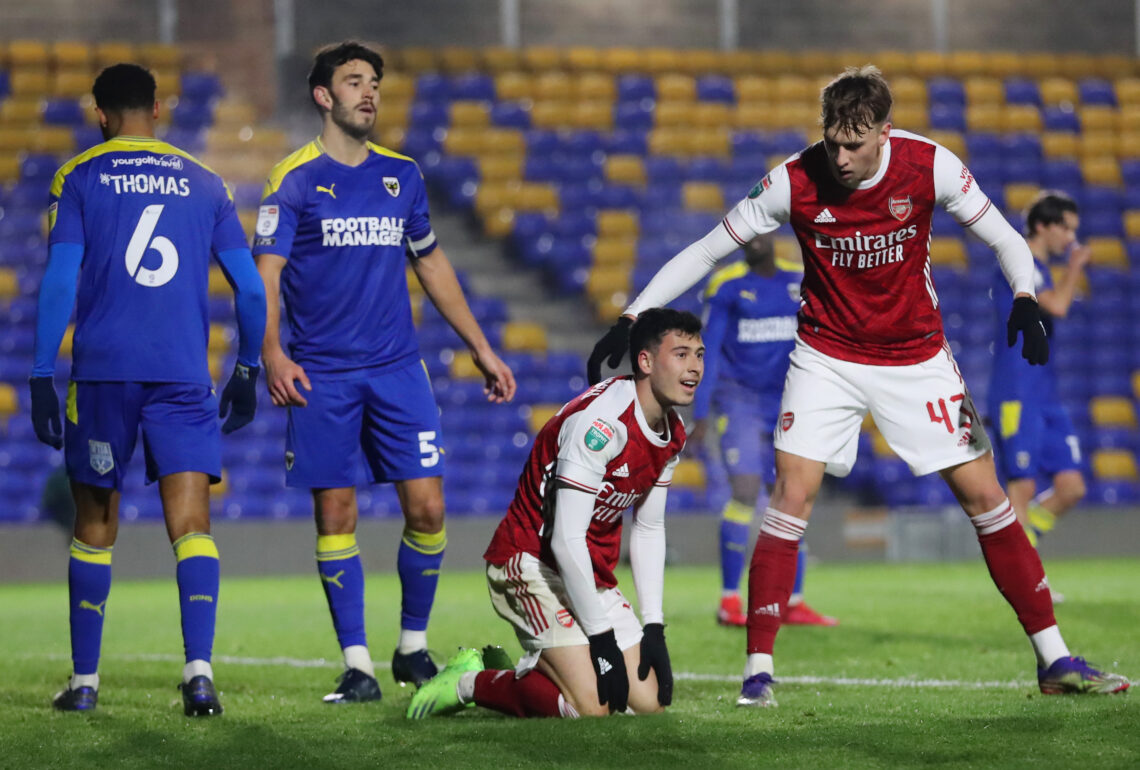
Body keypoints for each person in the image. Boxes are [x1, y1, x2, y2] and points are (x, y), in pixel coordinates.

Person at [588, 66, 1130, 706]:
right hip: (826, 357)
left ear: (885, 133)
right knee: (790, 496)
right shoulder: (792, 180)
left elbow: (1008, 239)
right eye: (833, 143)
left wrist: (1025, 295)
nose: (841, 158)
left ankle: (1054, 659)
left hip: (918, 358)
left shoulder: (930, 167)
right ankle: (757, 672)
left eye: (856, 144)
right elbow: (706, 250)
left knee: (988, 497)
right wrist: (633, 316)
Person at [253, 41, 516, 704]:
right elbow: (267, 275)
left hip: (398, 369)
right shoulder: (293, 179)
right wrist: (272, 353)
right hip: (323, 376)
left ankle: (410, 648)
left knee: (428, 507)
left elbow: (430, 264)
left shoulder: (402, 175)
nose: (368, 92)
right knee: (336, 510)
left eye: (374, 82)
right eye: (353, 82)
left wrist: (481, 346)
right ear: (323, 95)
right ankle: (357, 663)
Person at [30, 63, 266, 715]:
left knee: (94, 524)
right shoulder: (207, 182)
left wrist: (39, 373)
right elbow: (250, 289)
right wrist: (247, 368)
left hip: (104, 372)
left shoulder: (77, 177)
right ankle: (198, 677)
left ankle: (84, 685)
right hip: (183, 372)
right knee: (190, 526)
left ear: (100, 115)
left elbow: (59, 280)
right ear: (158, 108)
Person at [406, 309, 701, 719]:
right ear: (646, 362)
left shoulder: (673, 431)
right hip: (529, 563)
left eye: (699, 355)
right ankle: (469, 681)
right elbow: (564, 538)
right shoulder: (602, 425)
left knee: (649, 704)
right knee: (592, 709)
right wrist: (600, 640)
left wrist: (654, 627)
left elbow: (649, 528)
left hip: (587, 571)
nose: (694, 367)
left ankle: (543, 667)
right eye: (682, 354)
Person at [695, 234, 836, 628]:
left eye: (763, 230)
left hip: (788, 402)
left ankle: (793, 600)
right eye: (748, 232)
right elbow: (708, 346)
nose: (755, 239)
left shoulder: (800, 280)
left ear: (775, 233)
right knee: (744, 491)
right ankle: (729, 600)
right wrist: (700, 412)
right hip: (738, 401)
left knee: (792, 494)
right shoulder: (726, 284)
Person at [988, 192, 1089, 555]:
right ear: (1043, 226)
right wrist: (1076, 265)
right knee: (1022, 485)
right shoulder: (1020, 262)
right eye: (1066, 230)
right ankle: (1025, 575)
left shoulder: (1042, 270)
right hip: (1016, 390)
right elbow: (1058, 306)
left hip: (1045, 393)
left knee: (1071, 487)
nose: (1071, 239)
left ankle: (1019, 545)